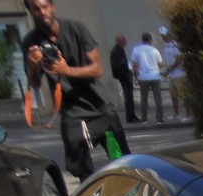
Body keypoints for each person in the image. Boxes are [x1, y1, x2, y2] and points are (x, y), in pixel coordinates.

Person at [22, 0, 129, 180]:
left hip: (100, 108)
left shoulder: (76, 29)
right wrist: (33, 66)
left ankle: (128, 194)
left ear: (52, 6)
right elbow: (35, 84)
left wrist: (66, 71)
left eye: (45, 6)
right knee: (81, 170)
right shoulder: (31, 41)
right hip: (73, 114)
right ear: (31, 12)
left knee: (122, 161)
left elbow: (97, 69)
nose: (42, 12)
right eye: (36, 9)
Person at [130, 32, 164, 125]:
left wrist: (136, 77)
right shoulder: (155, 50)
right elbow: (160, 64)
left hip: (143, 77)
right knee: (158, 98)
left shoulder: (136, 50)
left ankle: (144, 119)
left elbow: (135, 65)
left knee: (144, 99)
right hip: (155, 76)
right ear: (150, 40)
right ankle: (159, 119)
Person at [109, 34, 139, 123]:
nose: (125, 41)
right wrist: (128, 71)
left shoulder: (119, 49)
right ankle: (130, 117)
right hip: (124, 76)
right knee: (128, 97)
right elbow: (119, 64)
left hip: (124, 75)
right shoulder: (117, 50)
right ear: (119, 41)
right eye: (124, 40)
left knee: (129, 97)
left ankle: (132, 115)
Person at [161, 29, 187, 120]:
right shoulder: (166, 45)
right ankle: (176, 114)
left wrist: (168, 70)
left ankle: (188, 114)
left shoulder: (175, 45)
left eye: (165, 35)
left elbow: (179, 60)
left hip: (179, 75)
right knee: (173, 95)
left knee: (184, 95)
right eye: (162, 36)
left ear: (169, 34)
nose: (163, 37)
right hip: (172, 76)